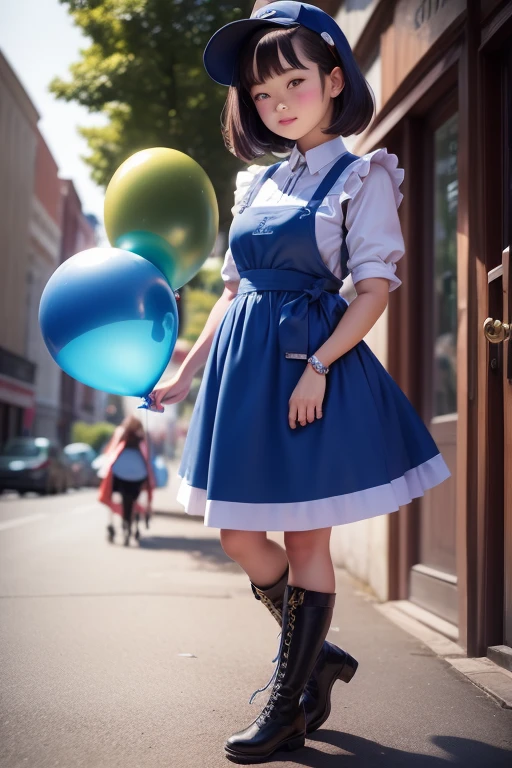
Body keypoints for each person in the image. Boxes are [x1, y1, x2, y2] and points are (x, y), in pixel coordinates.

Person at [150, 2, 451, 763]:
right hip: (242, 375)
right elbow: (230, 292)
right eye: (262, 93)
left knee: (303, 534)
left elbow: (376, 289)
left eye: (294, 81)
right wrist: (185, 373)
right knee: (238, 533)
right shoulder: (256, 184)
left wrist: (318, 367)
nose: (279, 102)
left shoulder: (364, 175)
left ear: (334, 78)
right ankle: (318, 659)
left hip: (305, 371)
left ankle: (287, 705)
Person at [98, 415, 154, 546]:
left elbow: (111, 451)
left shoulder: (121, 433)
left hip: (120, 473)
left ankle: (124, 524)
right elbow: (147, 456)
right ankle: (128, 523)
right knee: (132, 501)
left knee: (122, 499)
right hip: (138, 475)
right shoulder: (141, 437)